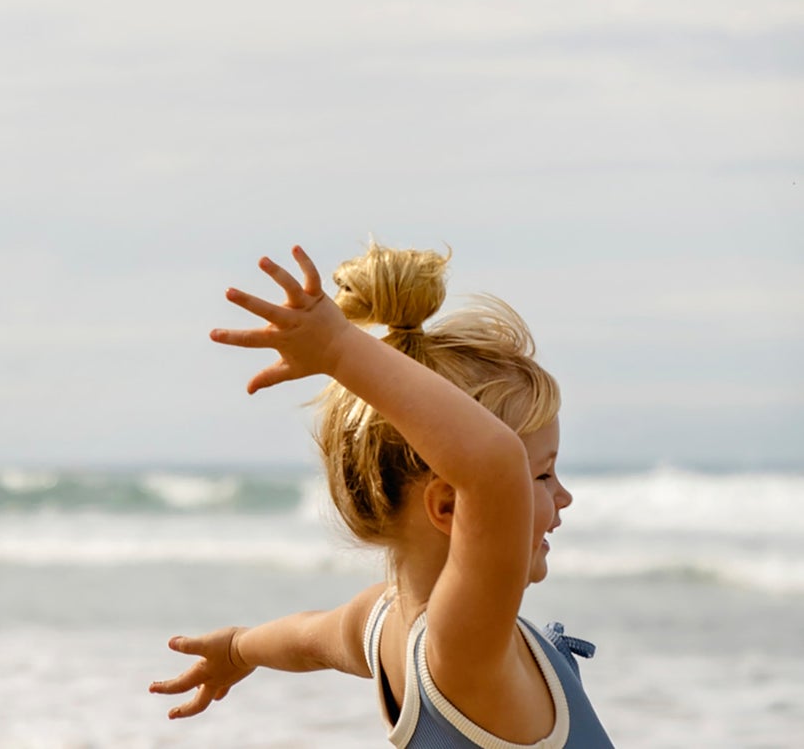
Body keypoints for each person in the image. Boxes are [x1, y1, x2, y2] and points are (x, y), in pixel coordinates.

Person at [149, 241, 615, 747]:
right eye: (543, 476)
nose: (563, 496)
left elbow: (308, 638)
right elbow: (492, 465)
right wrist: (338, 350)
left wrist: (240, 648)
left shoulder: (382, 621)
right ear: (448, 506)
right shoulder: (462, 651)